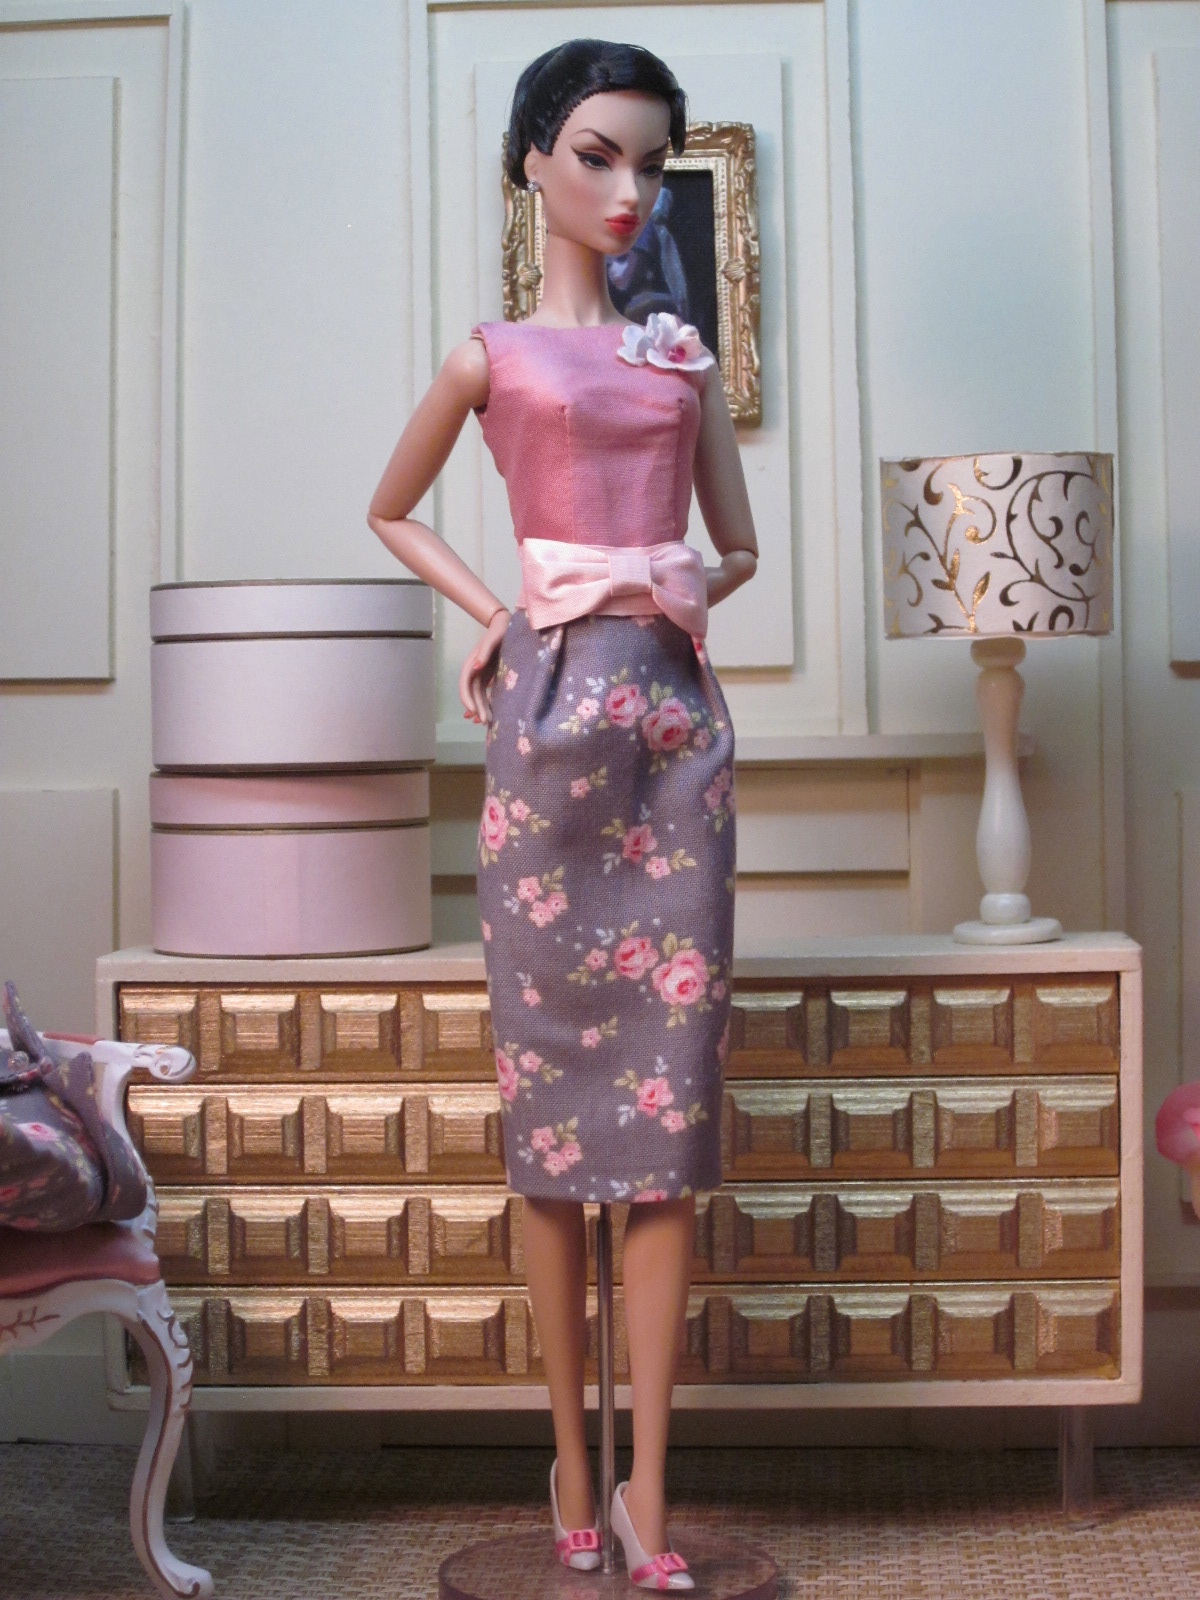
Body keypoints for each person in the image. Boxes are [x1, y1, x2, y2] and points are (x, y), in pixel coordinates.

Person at [368, 38, 758, 1591]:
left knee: (662, 1123)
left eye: (650, 162)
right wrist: (496, 609)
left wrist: (673, 578)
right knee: (552, 1128)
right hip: (544, 738)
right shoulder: (495, 358)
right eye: (598, 153)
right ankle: (572, 1471)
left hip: (673, 742)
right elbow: (389, 506)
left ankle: (654, 1482)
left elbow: (737, 546)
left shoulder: (678, 365)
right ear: (533, 158)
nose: (626, 187)